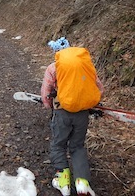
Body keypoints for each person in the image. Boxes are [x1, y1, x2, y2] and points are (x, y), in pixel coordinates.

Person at [41, 37, 104, 196]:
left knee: (58, 144)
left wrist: (49, 106)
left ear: (56, 52)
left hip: (62, 112)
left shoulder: (53, 68)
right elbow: (98, 87)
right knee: (77, 146)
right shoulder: (84, 66)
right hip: (82, 113)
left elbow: (46, 92)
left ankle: (63, 181)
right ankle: (82, 182)